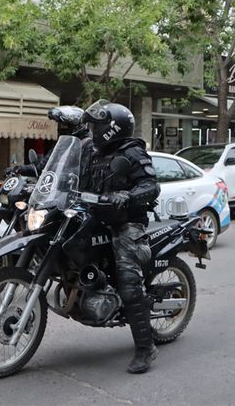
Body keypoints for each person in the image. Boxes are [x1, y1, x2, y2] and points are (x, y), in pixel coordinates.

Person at [81, 100, 161, 374]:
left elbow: (151, 186)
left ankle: (145, 347)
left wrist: (127, 196)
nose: (92, 130)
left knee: (129, 281)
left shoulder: (133, 151)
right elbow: (73, 179)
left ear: (112, 128)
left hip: (126, 223)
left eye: (97, 125)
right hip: (96, 217)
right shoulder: (92, 152)